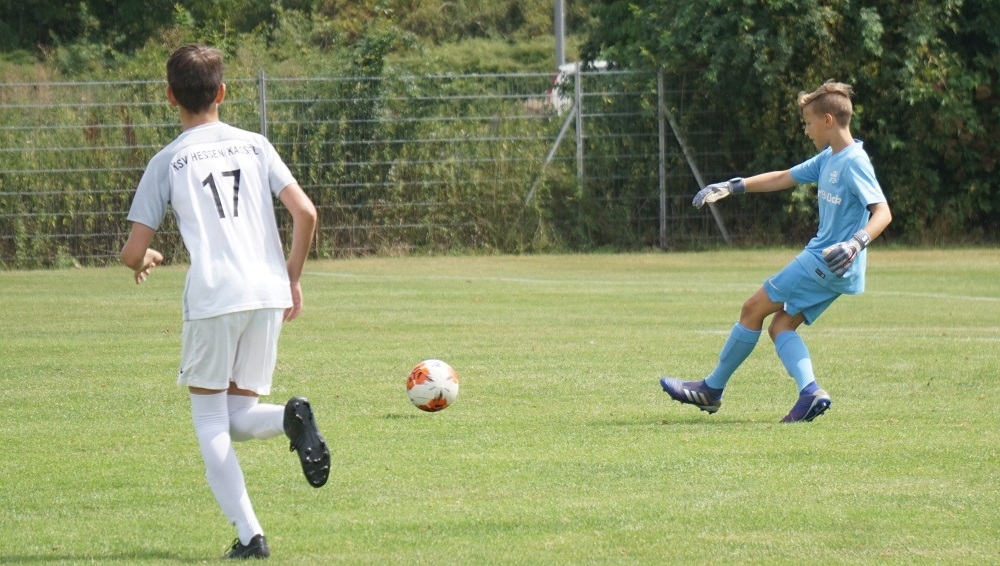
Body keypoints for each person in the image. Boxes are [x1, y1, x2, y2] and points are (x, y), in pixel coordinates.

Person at [120, 44, 330, 559]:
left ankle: (251, 536)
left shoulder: (168, 160)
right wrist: (292, 278)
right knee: (237, 413)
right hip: (265, 293)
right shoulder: (256, 145)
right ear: (222, 92)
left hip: (214, 296)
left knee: (211, 422)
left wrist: (147, 259)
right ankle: (289, 419)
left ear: (170, 97)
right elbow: (306, 213)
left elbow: (131, 252)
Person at [660, 81, 892, 423]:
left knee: (752, 308)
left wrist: (855, 243)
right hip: (837, 268)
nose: (806, 130)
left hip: (825, 261)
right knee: (780, 326)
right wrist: (733, 186)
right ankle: (810, 392)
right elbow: (784, 177)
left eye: (808, 123)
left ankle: (711, 389)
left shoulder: (854, 161)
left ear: (828, 120)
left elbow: (883, 212)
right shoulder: (830, 157)